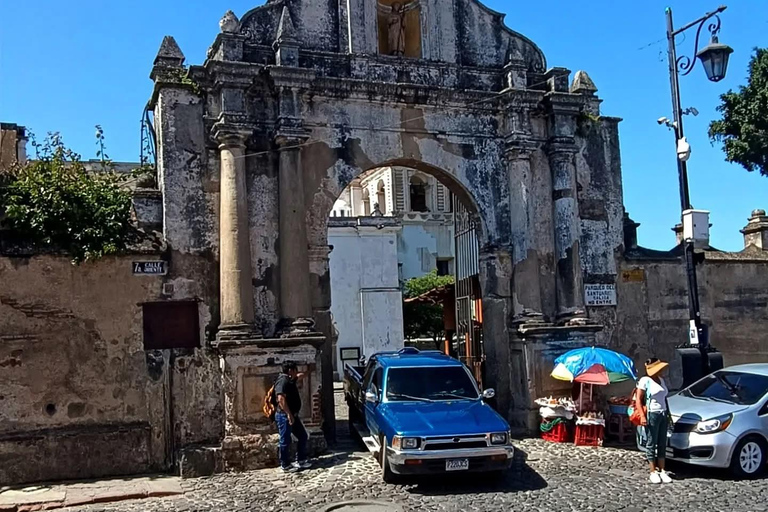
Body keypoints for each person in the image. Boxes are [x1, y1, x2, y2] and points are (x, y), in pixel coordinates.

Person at [635, 357, 672, 484]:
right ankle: (652, 471)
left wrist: (669, 414)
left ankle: (662, 469)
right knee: (651, 442)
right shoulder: (645, 381)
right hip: (652, 414)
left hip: (663, 413)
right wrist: (642, 416)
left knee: (662, 442)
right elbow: (638, 400)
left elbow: (664, 398)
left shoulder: (661, 380)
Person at [274, 361, 311, 473]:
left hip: (292, 415)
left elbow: (300, 376)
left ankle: (301, 460)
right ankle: (285, 464)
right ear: (290, 370)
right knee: (285, 440)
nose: (297, 372)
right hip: (284, 416)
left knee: (302, 436)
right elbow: (280, 399)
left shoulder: (290, 379)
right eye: (295, 369)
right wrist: (289, 414)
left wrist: (310, 370)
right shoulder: (283, 381)